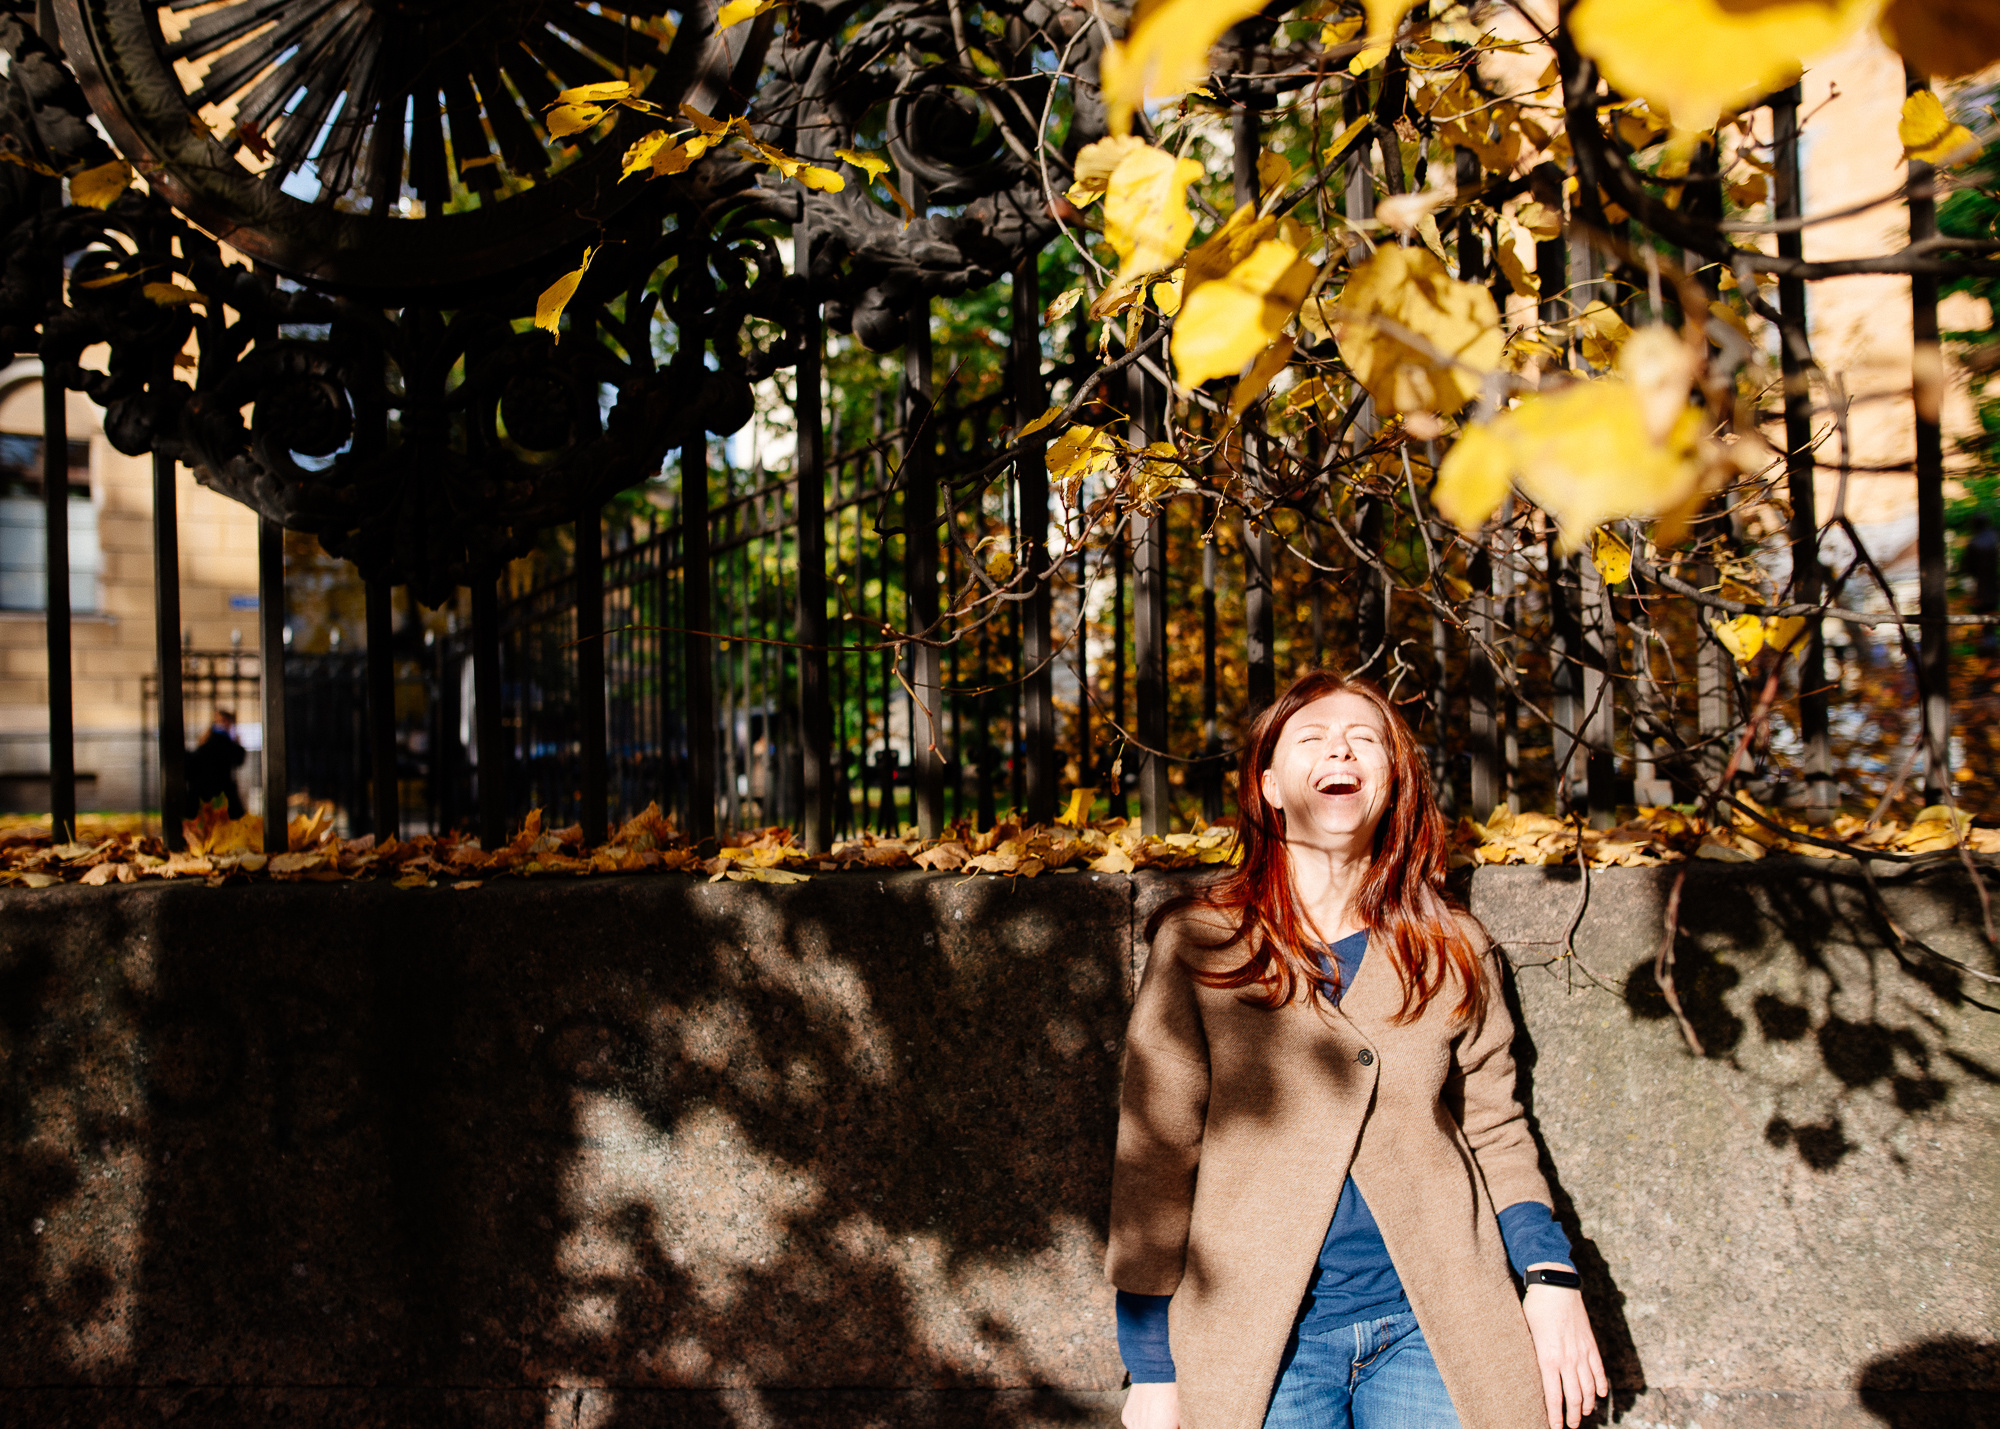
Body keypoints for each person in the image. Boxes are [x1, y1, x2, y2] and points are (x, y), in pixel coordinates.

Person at [1108, 671, 1606, 1429]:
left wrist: (1550, 1276)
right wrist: (1150, 1367)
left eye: (1364, 739)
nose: (1339, 748)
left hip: (1431, 1328)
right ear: (1270, 785)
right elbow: (1155, 1156)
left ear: (1392, 782)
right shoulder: (1201, 946)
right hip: (1262, 1344)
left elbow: (1496, 1127)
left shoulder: (1453, 948)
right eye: (1311, 737)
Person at [185, 708, 247, 818]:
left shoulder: (205, 745)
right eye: (221, 721)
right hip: (222, 797)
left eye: (225, 721)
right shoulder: (227, 745)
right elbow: (239, 758)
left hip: (200, 798)